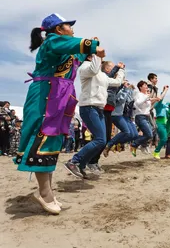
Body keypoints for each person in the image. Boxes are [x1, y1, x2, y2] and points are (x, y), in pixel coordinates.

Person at [14, 13, 104, 214]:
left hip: (59, 97)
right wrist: (91, 44)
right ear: (58, 30)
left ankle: (48, 193)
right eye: (68, 26)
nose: (72, 30)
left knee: (53, 140)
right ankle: (45, 193)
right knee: (43, 137)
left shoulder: (65, 50)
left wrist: (93, 49)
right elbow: (78, 46)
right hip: (45, 96)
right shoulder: (52, 42)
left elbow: (81, 54)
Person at [64, 55, 125, 179]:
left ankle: (81, 164)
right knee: (100, 139)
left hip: (99, 109)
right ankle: (74, 161)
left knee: (102, 139)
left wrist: (121, 70)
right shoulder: (85, 67)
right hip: (89, 106)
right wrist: (97, 55)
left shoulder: (103, 76)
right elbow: (93, 70)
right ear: (90, 56)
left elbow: (117, 82)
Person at [131, 81, 160, 156]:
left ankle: (143, 146)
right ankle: (134, 144)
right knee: (149, 134)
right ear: (140, 87)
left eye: (146, 85)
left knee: (152, 129)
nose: (146, 86)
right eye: (144, 85)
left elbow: (149, 101)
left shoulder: (145, 95)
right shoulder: (139, 94)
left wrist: (156, 99)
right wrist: (147, 97)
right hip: (140, 116)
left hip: (146, 117)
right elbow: (137, 103)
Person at [152, 85, 170, 159]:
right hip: (160, 123)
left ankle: (157, 152)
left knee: (165, 139)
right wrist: (165, 90)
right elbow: (161, 99)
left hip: (166, 124)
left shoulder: (165, 106)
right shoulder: (157, 105)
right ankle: (156, 152)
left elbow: (168, 106)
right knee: (164, 139)